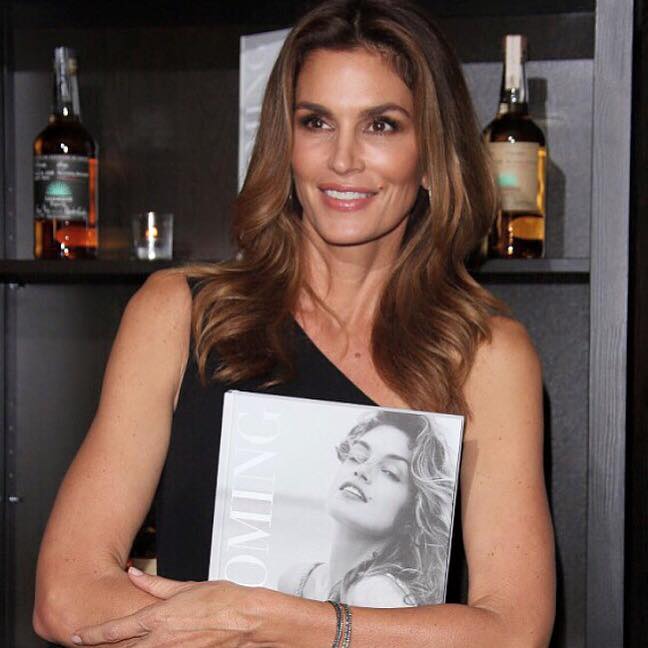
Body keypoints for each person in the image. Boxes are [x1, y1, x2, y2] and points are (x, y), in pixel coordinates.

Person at [33, 0, 556, 646]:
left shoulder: (486, 355)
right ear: (287, 144)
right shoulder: (180, 313)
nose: (343, 159)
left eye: (381, 125)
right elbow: (64, 597)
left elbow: (514, 630)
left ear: (430, 155)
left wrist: (265, 621)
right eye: (316, 122)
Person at [279, 410, 455, 608]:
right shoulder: (298, 581)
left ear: (412, 512)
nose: (362, 470)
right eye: (357, 457)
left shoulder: (378, 595)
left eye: (389, 472)